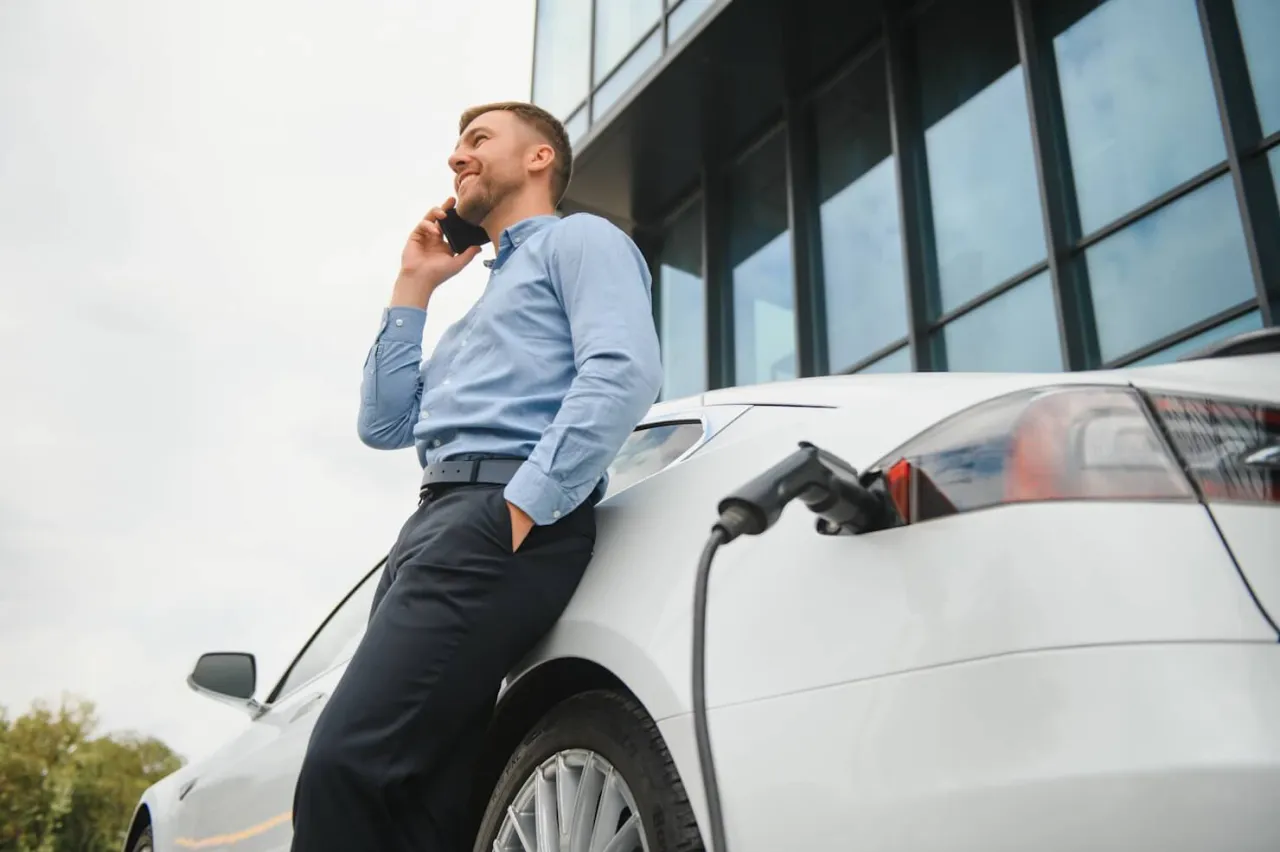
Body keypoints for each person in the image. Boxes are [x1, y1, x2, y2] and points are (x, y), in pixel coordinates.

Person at [289, 101, 663, 851]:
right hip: (434, 525)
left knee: (344, 766)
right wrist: (415, 285)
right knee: (423, 795)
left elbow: (623, 373)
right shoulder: (481, 307)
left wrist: (522, 506)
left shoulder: (580, 240)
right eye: (456, 146)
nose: (457, 158)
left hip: (496, 517)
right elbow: (386, 425)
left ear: (539, 159)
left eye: (477, 141)